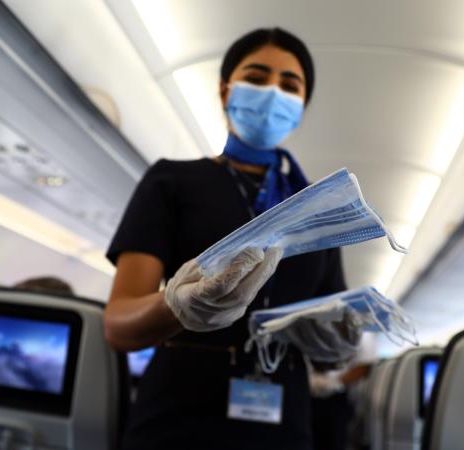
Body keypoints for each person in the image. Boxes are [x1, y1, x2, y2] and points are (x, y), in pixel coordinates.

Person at [104, 28, 358, 449]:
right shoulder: (172, 180)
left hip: (284, 425)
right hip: (177, 420)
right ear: (226, 91)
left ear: (300, 108)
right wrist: (176, 305)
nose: (272, 92)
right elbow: (117, 326)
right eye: (256, 78)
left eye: (289, 85)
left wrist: (338, 346)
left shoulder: (319, 207)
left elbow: (335, 323)